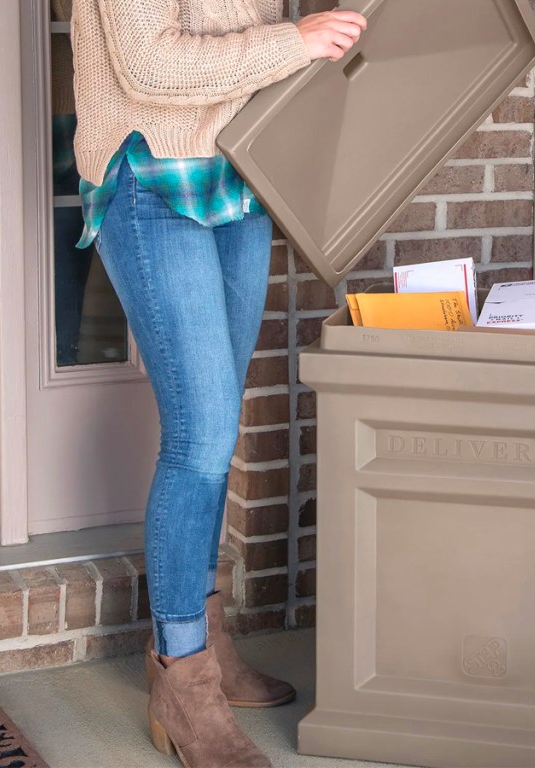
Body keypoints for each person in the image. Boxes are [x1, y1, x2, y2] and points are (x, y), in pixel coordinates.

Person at [69, 2, 366, 766]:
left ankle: (208, 639)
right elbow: (151, 66)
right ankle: (182, 677)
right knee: (200, 437)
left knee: (216, 429)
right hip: (153, 181)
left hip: (240, 177)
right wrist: (293, 41)